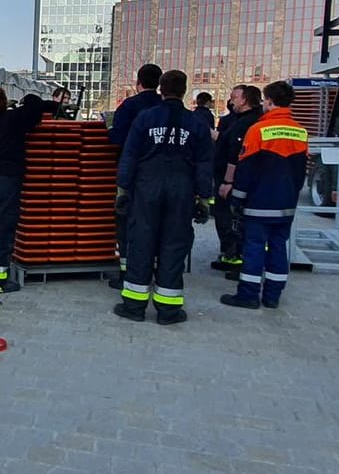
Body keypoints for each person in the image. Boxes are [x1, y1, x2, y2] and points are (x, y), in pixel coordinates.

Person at [113, 70, 213, 325]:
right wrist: (203, 198)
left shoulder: (146, 118)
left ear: (161, 88)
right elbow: (204, 163)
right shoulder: (196, 123)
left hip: (146, 189)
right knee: (174, 245)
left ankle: (134, 306)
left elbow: (130, 156)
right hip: (181, 190)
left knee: (141, 243)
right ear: (184, 90)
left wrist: (123, 190)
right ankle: (168, 310)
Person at [0, 87, 65, 294]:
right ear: (5, 104)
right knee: (0, 227)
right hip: (4, 179)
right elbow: (34, 104)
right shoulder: (12, 119)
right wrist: (24, 100)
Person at [222, 81, 309, 310]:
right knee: (279, 247)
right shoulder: (300, 131)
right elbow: (301, 171)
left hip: (259, 201)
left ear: (269, 101)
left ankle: (248, 295)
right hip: (286, 203)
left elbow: (246, 169)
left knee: (254, 247)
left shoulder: (258, 130)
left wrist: (237, 200)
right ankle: (272, 296)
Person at [105, 64, 163, 289]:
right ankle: (156, 269)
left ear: (138, 82)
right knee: (156, 225)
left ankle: (126, 273)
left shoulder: (129, 106)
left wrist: (109, 126)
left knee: (127, 224)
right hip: (161, 177)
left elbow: (118, 140)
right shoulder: (164, 106)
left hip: (132, 175)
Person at [210, 85, 263, 272]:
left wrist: (227, 182)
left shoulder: (245, 123)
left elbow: (234, 154)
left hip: (236, 180)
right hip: (252, 180)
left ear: (245, 99)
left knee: (230, 218)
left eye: (235, 97)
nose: (231, 101)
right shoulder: (251, 120)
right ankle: (240, 256)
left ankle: (234, 257)